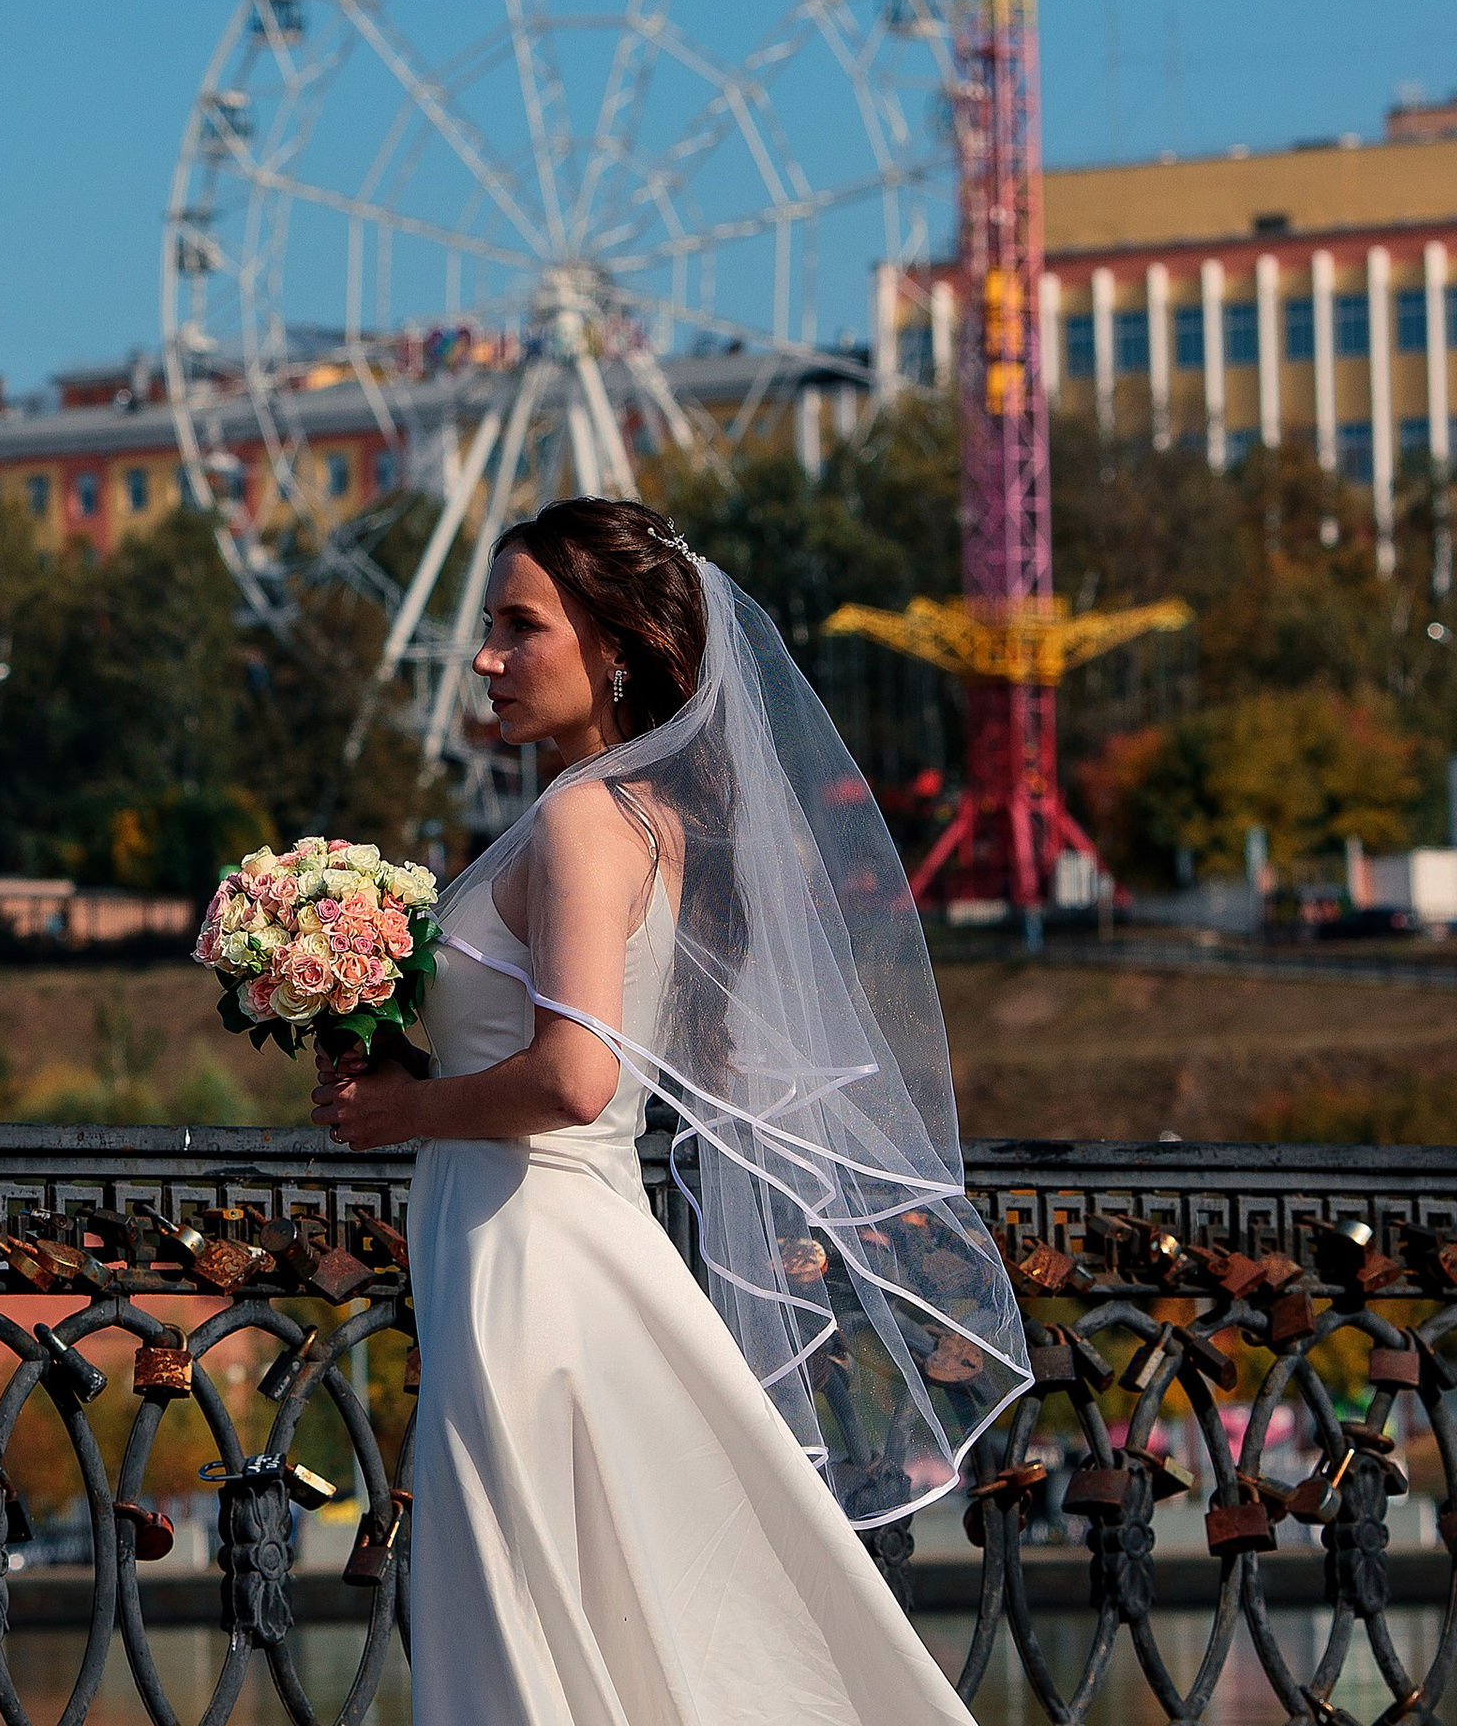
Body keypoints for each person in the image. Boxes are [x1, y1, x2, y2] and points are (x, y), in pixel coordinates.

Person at [313, 496, 1024, 1726]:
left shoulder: (586, 818)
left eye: (518, 627)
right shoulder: (612, 811)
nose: (485, 658)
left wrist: (407, 1107)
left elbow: (577, 1078)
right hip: (522, 1243)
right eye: (487, 627)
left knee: (534, 1616)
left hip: (534, 1261)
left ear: (617, 648)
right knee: (600, 1610)